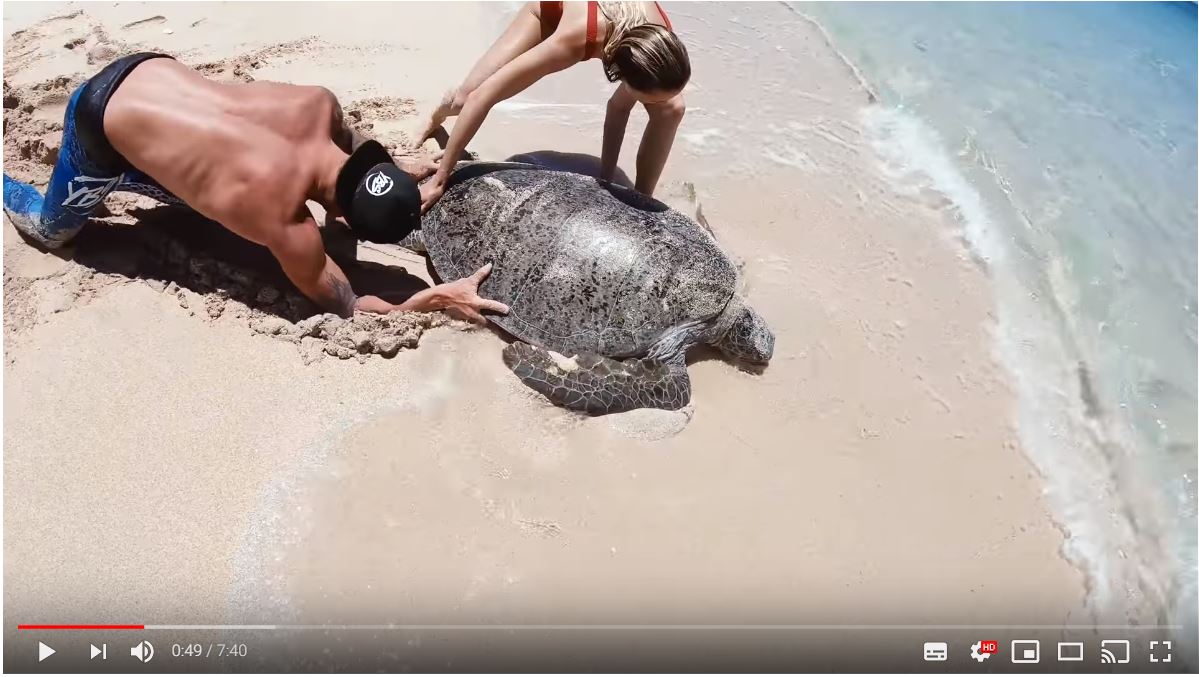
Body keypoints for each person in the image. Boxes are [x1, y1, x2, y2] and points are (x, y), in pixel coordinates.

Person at [2, 52, 509, 322]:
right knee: (54, 232)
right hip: (98, 115)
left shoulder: (319, 105)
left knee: (206, 192)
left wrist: (398, 171)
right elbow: (350, 307)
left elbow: (357, 143)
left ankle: (139, 171)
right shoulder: (283, 217)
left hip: (148, 66)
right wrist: (436, 300)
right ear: (345, 220)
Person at [415, 1, 690, 212]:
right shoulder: (576, 38)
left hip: (614, 35)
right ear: (623, 74)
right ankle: (436, 116)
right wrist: (439, 181)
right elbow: (483, 97)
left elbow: (618, 108)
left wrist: (606, 182)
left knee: (673, 108)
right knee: (467, 98)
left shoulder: (658, 44)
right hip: (549, 13)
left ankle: (641, 199)